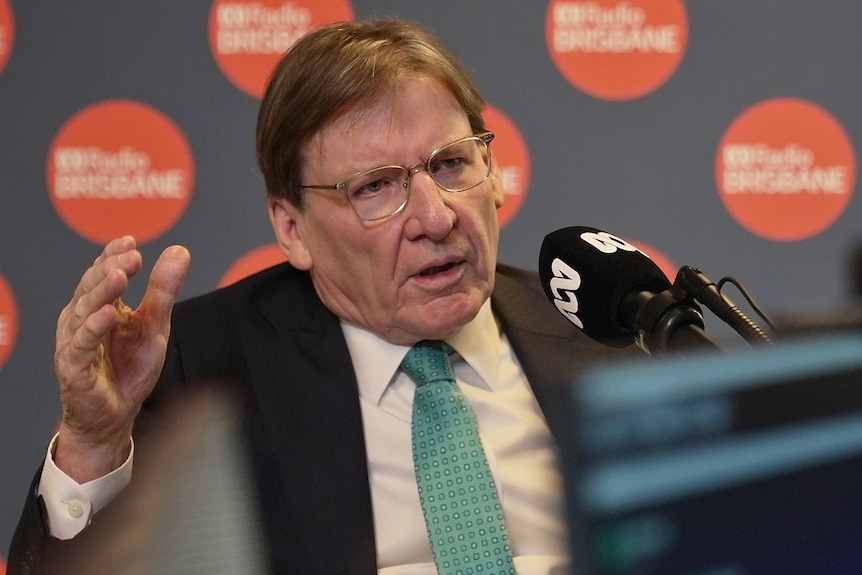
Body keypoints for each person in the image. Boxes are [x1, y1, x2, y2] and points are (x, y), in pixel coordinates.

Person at [8, 18, 631, 574]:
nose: (436, 218)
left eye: (450, 164)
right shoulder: (201, 367)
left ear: (492, 175)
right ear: (292, 228)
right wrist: (92, 447)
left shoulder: (608, 328)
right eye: (376, 187)